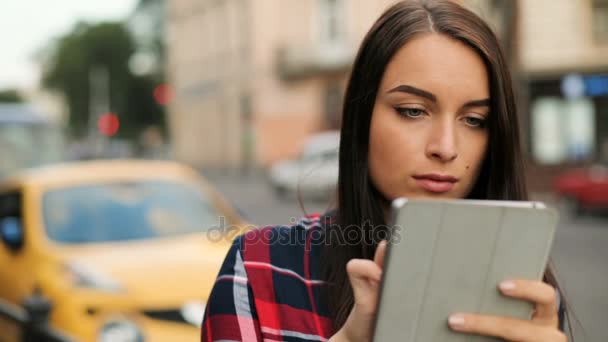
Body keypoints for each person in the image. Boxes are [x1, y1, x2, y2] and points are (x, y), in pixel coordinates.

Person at [200, 1, 569, 341]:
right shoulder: (260, 267)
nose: (445, 146)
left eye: (474, 119)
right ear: (361, 119)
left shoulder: (526, 293)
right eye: (412, 110)